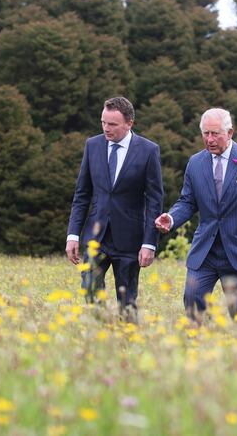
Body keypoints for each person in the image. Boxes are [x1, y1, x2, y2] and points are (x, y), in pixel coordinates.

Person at [154, 108, 237, 322]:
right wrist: (171, 218)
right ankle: (197, 351)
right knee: (192, 305)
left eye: (215, 134)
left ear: (230, 133)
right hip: (205, 251)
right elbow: (187, 201)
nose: (209, 139)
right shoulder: (195, 163)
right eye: (205, 134)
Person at [66, 97, 163, 318]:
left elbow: (155, 200)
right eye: (103, 122)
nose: (106, 129)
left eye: (112, 124)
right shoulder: (93, 145)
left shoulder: (148, 151)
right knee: (90, 289)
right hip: (95, 236)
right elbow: (82, 195)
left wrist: (149, 243)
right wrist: (72, 234)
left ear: (129, 123)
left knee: (127, 302)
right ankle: (101, 339)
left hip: (129, 239)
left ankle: (127, 344)